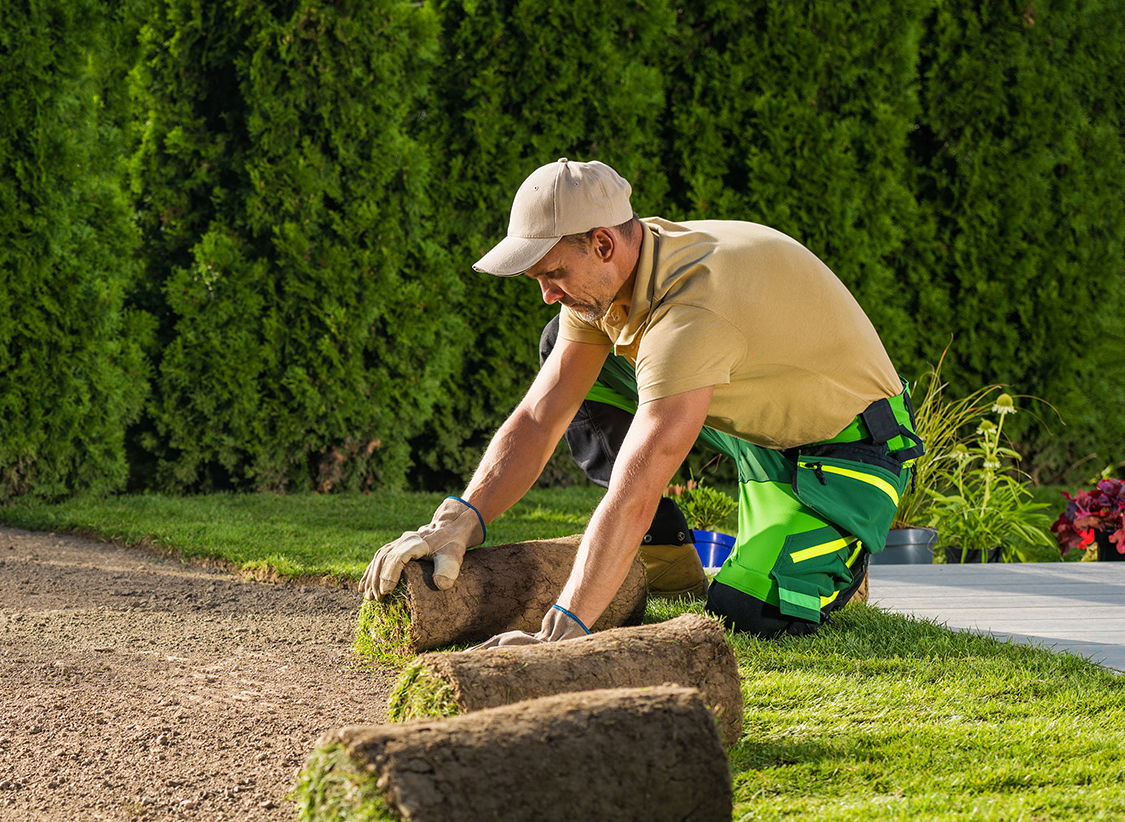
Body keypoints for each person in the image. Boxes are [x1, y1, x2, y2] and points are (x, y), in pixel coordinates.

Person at [360, 158, 922, 643]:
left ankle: (837, 548)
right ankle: (667, 549)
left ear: (603, 242)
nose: (547, 293)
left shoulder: (691, 312)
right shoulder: (617, 272)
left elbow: (639, 484)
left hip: (844, 449)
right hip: (753, 414)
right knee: (562, 343)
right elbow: (540, 416)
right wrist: (458, 520)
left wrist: (565, 626)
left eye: (552, 273)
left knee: (746, 612)